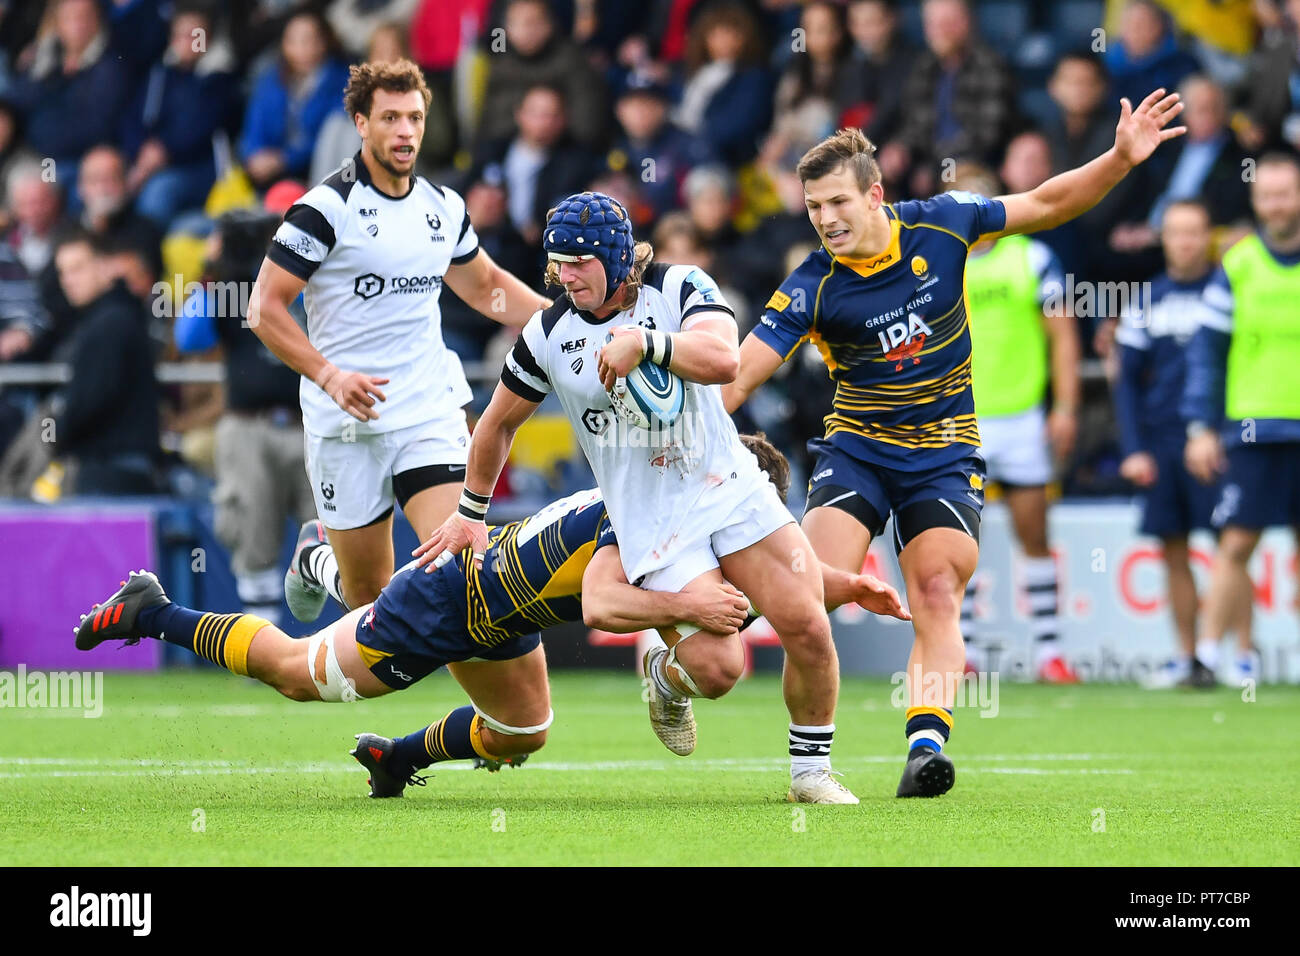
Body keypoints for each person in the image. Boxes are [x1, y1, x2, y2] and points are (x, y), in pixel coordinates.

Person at [722, 87, 1186, 797]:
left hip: (943, 451)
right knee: (806, 595)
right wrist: (680, 438)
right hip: (857, 450)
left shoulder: (945, 223)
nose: (826, 220)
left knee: (937, 588)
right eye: (814, 208)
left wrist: (1121, 159)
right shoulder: (812, 284)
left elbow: (1049, 202)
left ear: (874, 194)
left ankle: (924, 748)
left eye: (838, 203)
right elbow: (741, 376)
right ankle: (704, 655)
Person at [73, 436, 906, 798]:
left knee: (524, 733)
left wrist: (841, 583)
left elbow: (765, 581)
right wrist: (685, 607)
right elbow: (610, 602)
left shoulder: (714, 526)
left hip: (502, 609)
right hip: (455, 596)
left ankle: (395, 759)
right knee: (299, 673)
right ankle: (156, 609)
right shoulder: (656, 512)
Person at [417, 190, 868, 803]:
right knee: (719, 669)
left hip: (729, 485)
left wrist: (647, 345)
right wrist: (471, 512)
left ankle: (809, 773)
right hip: (653, 518)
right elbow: (496, 425)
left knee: (808, 623)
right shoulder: (548, 332)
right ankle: (665, 674)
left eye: (578, 262)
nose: (564, 274)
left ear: (613, 255)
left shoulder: (678, 285)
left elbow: (724, 359)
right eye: (557, 262)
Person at [246, 59, 550, 622]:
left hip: (427, 408)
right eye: (390, 118)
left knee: (455, 569)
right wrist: (329, 375)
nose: (405, 131)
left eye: (414, 117)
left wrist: (564, 321)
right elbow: (263, 309)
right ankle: (315, 558)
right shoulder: (323, 210)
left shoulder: (442, 206)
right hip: (347, 420)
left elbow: (486, 288)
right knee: (373, 602)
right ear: (361, 124)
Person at [950, 164, 1081, 684]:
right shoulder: (938, 264)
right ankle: (965, 655)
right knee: (955, 538)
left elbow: (1062, 336)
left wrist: (1065, 407)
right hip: (959, 417)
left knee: (1034, 530)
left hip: (1023, 415)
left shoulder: (1033, 256)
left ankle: (1050, 651)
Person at [1182, 153, 1300, 685]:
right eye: (1266, 195)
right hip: (1254, 428)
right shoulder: (1239, 265)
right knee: (1236, 543)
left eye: (1285, 193)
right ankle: (1207, 657)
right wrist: (1201, 427)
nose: (1275, 204)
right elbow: (1207, 353)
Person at [1115, 199, 1232, 689]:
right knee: (1173, 550)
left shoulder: (1228, 292)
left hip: (1220, 438)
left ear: (1208, 236)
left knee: (1233, 546)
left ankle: (1235, 657)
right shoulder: (1145, 301)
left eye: (1194, 232)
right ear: (1162, 238)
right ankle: (1186, 659)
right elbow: (1126, 382)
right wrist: (1134, 448)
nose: (1185, 242)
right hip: (1161, 442)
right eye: (1176, 232)